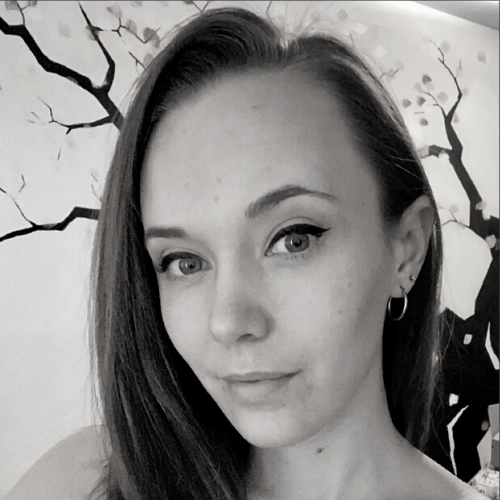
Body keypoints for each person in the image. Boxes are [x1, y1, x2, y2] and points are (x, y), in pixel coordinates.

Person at [5, 6, 488, 500]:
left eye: (294, 239)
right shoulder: (83, 482)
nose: (229, 322)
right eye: (184, 263)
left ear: (406, 250)